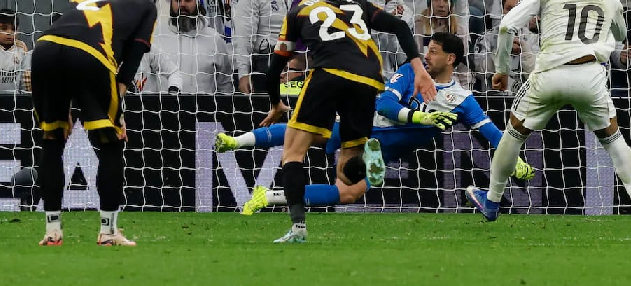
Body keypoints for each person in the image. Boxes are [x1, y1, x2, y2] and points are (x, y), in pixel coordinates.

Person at [221, 32, 534, 214]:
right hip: (363, 126)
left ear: (451, 59)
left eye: (434, 52)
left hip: (380, 152)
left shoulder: (462, 99)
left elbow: (492, 133)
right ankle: (237, 141)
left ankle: (267, 197)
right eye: (426, 50)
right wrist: (421, 117)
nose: (426, 56)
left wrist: (514, 159)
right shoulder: (411, 71)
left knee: (348, 194)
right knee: (307, 133)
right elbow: (384, 104)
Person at [465, 0, 631, 231]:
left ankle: (492, 202)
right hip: (590, 76)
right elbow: (620, 34)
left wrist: (502, 70)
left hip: (550, 74)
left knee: (513, 134)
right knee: (615, 142)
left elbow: (506, 26)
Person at [259, 0, 436, 243]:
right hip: (368, 80)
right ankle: (368, 160)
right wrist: (419, 70)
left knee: (292, 153)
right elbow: (402, 27)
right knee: (347, 174)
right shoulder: (359, 3)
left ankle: (298, 229)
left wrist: (275, 102)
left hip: (328, 73)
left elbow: (274, 69)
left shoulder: (298, 12)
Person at [32, 0, 157, 246]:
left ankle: (52, 231)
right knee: (111, 141)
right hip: (91, 55)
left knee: (52, 139)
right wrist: (119, 100)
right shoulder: (144, 3)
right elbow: (134, 54)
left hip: (44, 49)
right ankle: (108, 231)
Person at [233, 0, 297, 93]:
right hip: (268, 60)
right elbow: (243, 36)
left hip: (298, 61)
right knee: (271, 106)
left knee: (298, 105)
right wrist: (243, 74)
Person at [150, 0, 234, 94]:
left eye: (188, 0)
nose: (182, 4)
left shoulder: (214, 38)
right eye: (177, 0)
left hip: (203, 105)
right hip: (163, 104)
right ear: (170, 2)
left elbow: (225, 84)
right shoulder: (156, 36)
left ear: (197, 2)